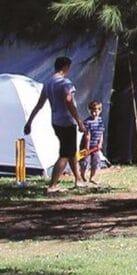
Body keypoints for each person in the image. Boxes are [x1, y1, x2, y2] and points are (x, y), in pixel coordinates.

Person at [23, 56, 85, 192]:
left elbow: (40, 104)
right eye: (68, 67)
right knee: (65, 153)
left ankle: (78, 179)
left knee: (71, 150)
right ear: (64, 67)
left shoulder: (48, 83)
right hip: (67, 121)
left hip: (55, 121)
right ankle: (52, 185)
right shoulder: (65, 83)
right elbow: (69, 101)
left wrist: (29, 122)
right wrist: (79, 121)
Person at [81, 99, 107, 186]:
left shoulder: (100, 121)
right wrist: (87, 147)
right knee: (85, 161)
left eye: (96, 111)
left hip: (96, 146)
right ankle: (83, 175)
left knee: (95, 161)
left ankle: (92, 177)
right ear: (89, 111)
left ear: (100, 110)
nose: (94, 113)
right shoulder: (87, 122)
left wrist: (100, 143)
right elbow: (87, 135)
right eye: (92, 111)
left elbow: (101, 133)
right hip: (86, 145)